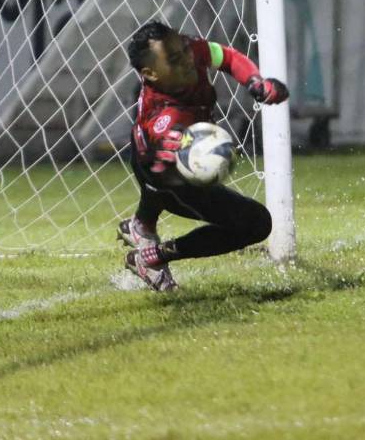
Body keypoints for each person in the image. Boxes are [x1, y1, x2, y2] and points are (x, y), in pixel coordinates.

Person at [120, 20, 289, 291]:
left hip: (157, 162)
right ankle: (153, 258)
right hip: (165, 177)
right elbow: (161, 162)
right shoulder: (165, 118)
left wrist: (255, 82)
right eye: (175, 58)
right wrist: (183, 160)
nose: (188, 59)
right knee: (257, 224)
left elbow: (228, 57)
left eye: (185, 48)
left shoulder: (190, 51)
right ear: (151, 74)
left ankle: (142, 224)